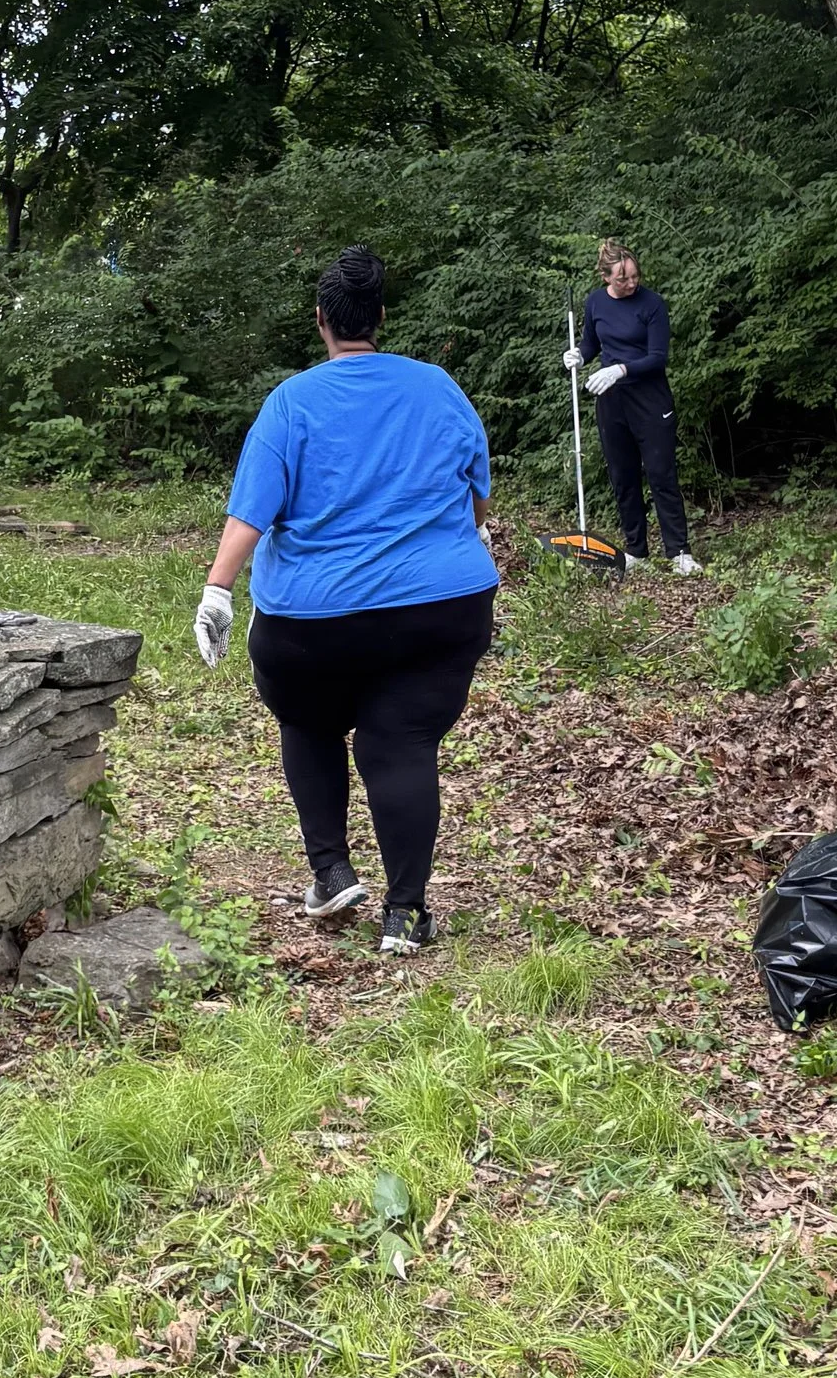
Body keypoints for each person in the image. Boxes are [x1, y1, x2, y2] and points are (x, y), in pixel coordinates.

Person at [194, 244, 496, 955]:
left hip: (311, 624)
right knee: (403, 742)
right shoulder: (439, 388)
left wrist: (217, 589)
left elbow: (250, 516)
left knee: (308, 718)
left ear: (321, 319)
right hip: (440, 610)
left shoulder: (292, 402)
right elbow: (477, 498)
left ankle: (331, 872)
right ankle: (406, 914)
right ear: (381, 316)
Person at [567, 240, 699, 575]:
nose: (631, 283)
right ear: (605, 277)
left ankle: (678, 552)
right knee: (623, 476)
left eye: (634, 276)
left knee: (661, 474)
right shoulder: (595, 302)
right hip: (612, 402)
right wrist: (580, 355)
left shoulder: (652, 304)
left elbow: (657, 357)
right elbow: (592, 342)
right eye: (622, 279)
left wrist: (621, 369)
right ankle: (636, 550)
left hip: (650, 399)